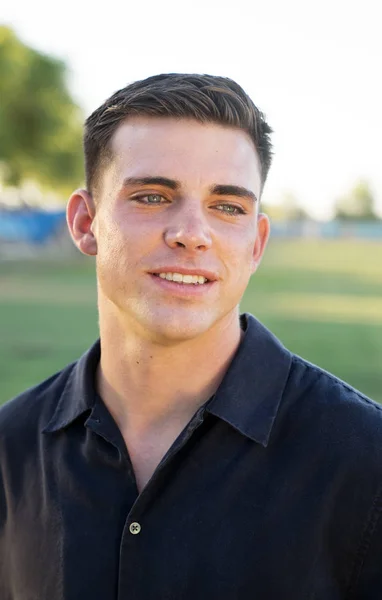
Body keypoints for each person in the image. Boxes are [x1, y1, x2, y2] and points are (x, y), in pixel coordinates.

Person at [0, 73, 381, 600]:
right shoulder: (9, 448)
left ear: (256, 242)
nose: (192, 233)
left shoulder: (366, 460)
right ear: (86, 222)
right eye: (153, 196)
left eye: (228, 207)